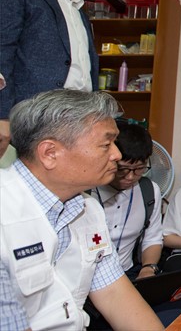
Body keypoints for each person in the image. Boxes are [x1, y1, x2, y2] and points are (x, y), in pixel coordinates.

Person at [0, 89, 162, 330]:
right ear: (50, 153)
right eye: (106, 144)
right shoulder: (5, 209)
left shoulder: (89, 209)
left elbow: (116, 296)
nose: (117, 155)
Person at [0, 0, 102, 160]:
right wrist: (1, 115)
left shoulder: (80, 12)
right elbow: (2, 50)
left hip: (76, 126)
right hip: (27, 123)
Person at [91, 121, 163, 280]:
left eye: (139, 169)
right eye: (122, 169)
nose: (130, 177)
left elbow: (152, 238)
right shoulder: (86, 192)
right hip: (89, 277)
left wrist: (148, 268)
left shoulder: (149, 192)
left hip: (127, 273)